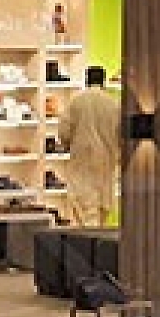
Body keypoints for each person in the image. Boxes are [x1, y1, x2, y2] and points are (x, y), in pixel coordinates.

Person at [60, 65, 122, 227]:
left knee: (85, 214)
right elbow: (120, 135)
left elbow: (64, 132)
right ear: (103, 81)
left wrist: (67, 145)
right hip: (106, 164)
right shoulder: (113, 104)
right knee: (101, 211)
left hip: (81, 162)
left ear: (87, 79)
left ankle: (88, 248)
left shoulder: (76, 101)